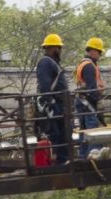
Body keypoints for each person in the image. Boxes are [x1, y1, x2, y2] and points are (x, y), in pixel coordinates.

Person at [36, 33, 70, 165]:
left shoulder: (52, 63)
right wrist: (50, 103)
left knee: (63, 132)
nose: (60, 51)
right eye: (59, 48)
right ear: (53, 48)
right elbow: (45, 86)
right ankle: (58, 163)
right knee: (55, 134)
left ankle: (63, 160)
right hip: (52, 105)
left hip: (59, 104)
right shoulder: (45, 63)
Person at [75, 37, 106, 158]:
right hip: (88, 102)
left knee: (84, 131)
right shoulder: (89, 66)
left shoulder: (83, 64)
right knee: (92, 130)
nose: (99, 55)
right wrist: (97, 101)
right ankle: (94, 157)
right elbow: (92, 88)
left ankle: (83, 157)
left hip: (82, 101)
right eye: (99, 52)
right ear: (93, 51)